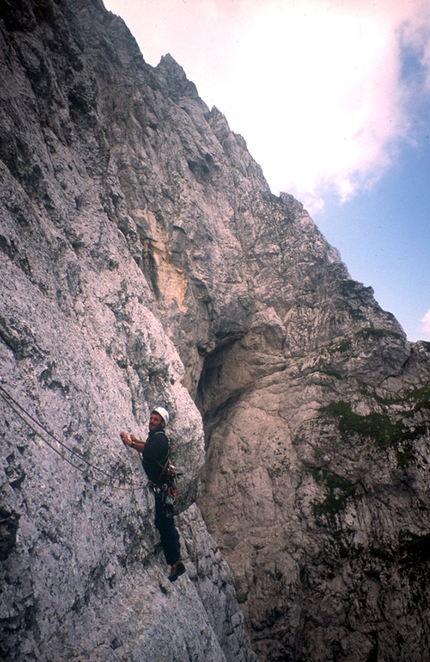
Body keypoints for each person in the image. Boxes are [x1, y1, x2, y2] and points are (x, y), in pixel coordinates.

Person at [120, 407, 185, 582]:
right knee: (166, 521)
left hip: (162, 489)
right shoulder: (157, 437)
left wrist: (130, 443)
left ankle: (175, 562)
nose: (151, 421)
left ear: (162, 423)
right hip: (164, 488)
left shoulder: (160, 440)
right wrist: (137, 441)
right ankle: (176, 554)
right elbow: (148, 446)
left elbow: (148, 451)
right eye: (151, 418)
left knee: (163, 524)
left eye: (156, 419)